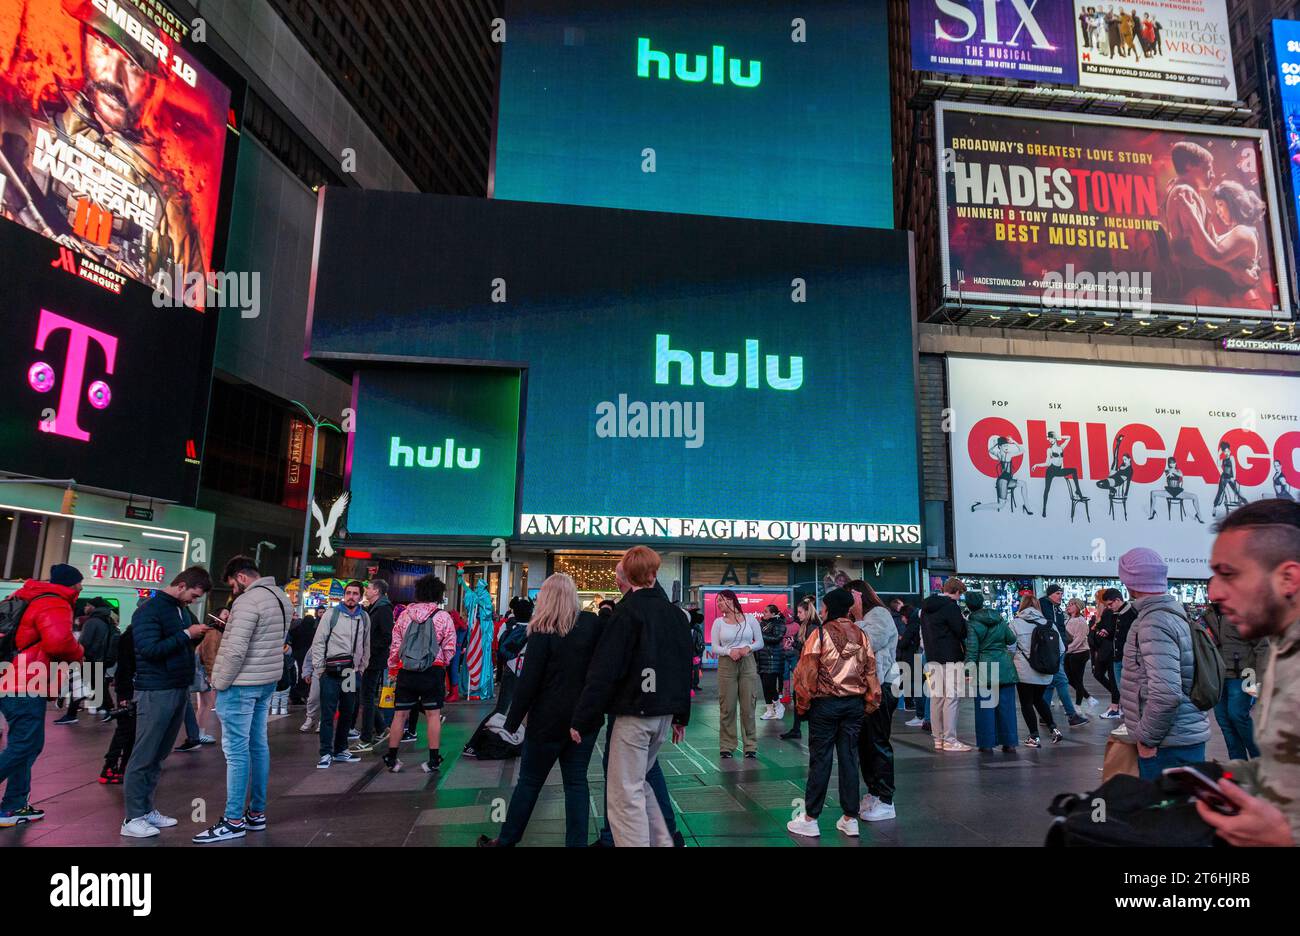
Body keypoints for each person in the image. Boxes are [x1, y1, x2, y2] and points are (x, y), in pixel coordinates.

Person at [570, 546, 693, 847]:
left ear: (627, 576)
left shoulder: (625, 613)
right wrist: (681, 715)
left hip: (633, 716)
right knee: (642, 784)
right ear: (654, 574)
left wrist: (583, 718)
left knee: (625, 797)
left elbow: (605, 670)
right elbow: (682, 666)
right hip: (663, 717)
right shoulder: (676, 615)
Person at [1197, 499, 1300, 845]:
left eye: (1230, 574)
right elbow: (1284, 770)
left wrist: (1284, 838)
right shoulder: (1282, 650)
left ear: (1288, 578)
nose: (1215, 592)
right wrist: (1212, 777)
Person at [478, 574, 603, 847]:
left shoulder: (542, 630)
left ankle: (506, 840)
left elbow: (529, 682)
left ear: (546, 597)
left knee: (530, 782)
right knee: (576, 783)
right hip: (583, 720)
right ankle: (576, 844)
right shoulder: (591, 624)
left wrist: (510, 723)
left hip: (547, 721)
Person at [191, 557, 294, 844]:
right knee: (258, 745)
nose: (233, 590)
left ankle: (233, 819)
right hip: (266, 681)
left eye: (233, 585)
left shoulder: (248, 601)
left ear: (241, 577)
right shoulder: (281, 597)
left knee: (236, 753)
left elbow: (235, 650)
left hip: (241, 684)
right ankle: (256, 814)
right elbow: (268, 639)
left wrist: (219, 682)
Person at [120, 567, 212, 838]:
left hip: (177, 687)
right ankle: (132, 817)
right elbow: (148, 650)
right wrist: (186, 635)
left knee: (159, 754)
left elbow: (185, 638)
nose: (194, 600)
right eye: (193, 595)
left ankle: (145, 809)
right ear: (181, 585)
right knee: (144, 754)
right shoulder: (150, 611)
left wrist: (198, 633)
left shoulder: (181, 610)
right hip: (155, 689)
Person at [786, 588, 880, 838]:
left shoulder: (820, 634)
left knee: (821, 759)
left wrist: (803, 706)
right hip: (854, 705)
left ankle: (810, 818)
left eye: (824, 607)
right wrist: (870, 701)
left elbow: (806, 674)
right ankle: (850, 818)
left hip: (825, 705)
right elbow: (871, 670)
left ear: (829, 609)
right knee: (850, 758)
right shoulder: (862, 635)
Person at [0, 564, 86, 827]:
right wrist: (79, 652)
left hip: (10, 678)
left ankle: (13, 806)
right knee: (25, 745)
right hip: (26, 682)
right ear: (72, 585)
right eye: (80, 582)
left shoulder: (23, 596)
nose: (82, 587)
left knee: (24, 745)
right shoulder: (55, 602)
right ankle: (13, 805)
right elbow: (58, 641)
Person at [1116, 548, 1211, 780]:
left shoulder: (1153, 622)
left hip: (1167, 744)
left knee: (1162, 813)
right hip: (1182, 736)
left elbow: (1166, 693)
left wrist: (1146, 738)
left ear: (1130, 582)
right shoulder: (1174, 614)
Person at [382, 574, 456, 773]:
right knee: (433, 715)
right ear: (438, 594)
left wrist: (393, 667)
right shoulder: (442, 617)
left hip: (407, 670)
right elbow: (450, 647)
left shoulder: (404, 615)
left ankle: (392, 758)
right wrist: (442, 663)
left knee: (400, 715)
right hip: (433, 670)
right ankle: (432, 760)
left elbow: (395, 645)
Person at [849, 580, 900, 821]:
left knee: (877, 742)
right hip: (866, 688)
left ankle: (886, 799)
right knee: (865, 743)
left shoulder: (879, 614)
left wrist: (858, 617)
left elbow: (866, 643)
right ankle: (873, 792)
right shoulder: (862, 618)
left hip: (882, 687)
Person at [309, 583, 371, 769]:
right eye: (348, 593)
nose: (351, 596)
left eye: (355, 593)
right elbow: (319, 642)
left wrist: (361, 667)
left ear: (360, 596)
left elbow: (366, 644)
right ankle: (326, 752)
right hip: (330, 671)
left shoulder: (364, 617)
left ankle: (341, 749)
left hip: (350, 672)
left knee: (347, 712)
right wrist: (319, 669)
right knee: (327, 713)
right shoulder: (331, 614)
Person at [1203, 601, 1267, 761]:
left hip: (1246, 673)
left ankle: (1260, 759)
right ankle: (1238, 762)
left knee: (1237, 715)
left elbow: (1263, 646)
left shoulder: (1245, 613)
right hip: (1220, 676)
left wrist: (1260, 678)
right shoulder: (1208, 615)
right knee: (1223, 719)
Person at [920, 577, 972, 751]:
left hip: (932, 657)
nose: (960, 598)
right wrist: (964, 620)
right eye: (960, 594)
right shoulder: (951, 607)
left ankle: (938, 739)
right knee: (951, 698)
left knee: (936, 699)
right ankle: (950, 740)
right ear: (956, 592)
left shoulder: (926, 608)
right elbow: (961, 631)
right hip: (950, 657)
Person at [710, 589, 762, 758]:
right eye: (717, 601)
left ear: (731, 600)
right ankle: (726, 746)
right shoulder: (718, 623)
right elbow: (715, 647)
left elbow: (759, 642)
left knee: (748, 706)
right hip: (727, 664)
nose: (718, 603)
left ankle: (750, 746)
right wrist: (729, 651)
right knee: (727, 706)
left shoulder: (750, 619)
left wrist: (748, 647)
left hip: (748, 662)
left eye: (721, 600)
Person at [964, 591, 1018, 753]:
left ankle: (986, 743)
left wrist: (968, 671)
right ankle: (1009, 742)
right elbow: (1011, 639)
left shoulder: (972, 623)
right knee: (1007, 707)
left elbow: (972, 649)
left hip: (985, 668)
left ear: (968, 606)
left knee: (985, 708)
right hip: (1005, 666)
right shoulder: (999, 619)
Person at [55, 596, 116, 724]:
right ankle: (108, 711)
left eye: (87, 605)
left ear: (93, 607)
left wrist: (76, 653)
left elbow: (84, 642)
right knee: (96, 687)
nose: (85, 608)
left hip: (89, 659)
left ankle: (72, 715)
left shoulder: (92, 621)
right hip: (100, 659)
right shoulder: (106, 620)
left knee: (78, 686)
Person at [1010, 595, 1060, 747]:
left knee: (1027, 703)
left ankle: (1034, 736)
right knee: (1039, 699)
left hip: (1024, 671)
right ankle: (1054, 729)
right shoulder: (1049, 624)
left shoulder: (1015, 624)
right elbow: (1062, 649)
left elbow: (1010, 648)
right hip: (1045, 672)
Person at [1040, 585, 1089, 726]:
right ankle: (1072, 715)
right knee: (1061, 681)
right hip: (1053, 650)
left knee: (1050, 683)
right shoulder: (1045, 606)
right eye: (1057, 593)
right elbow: (1053, 627)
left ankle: (1044, 715)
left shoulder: (1057, 609)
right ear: (1049, 594)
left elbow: (1060, 629)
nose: (1060, 596)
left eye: (1061, 593)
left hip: (1057, 649)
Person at [354, 579, 394, 750]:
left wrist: (369, 650)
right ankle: (382, 728)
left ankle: (366, 737)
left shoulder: (383, 609)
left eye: (368, 588)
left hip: (373, 659)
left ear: (376, 591)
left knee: (367, 697)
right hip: (369, 659)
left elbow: (386, 636)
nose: (366, 590)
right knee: (366, 695)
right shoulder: (375, 608)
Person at [99, 624, 137, 785]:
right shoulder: (132, 638)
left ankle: (118, 768)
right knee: (126, 730)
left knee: (128, 730)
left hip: (127, 689)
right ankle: (111, 767)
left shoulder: (129, 636)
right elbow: (126, 668)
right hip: (128, 690)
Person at [781, 596, 819, 740]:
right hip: (804, 668)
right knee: (799, 698)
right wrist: (794, 644)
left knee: (805, 699)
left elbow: (811, 650)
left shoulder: (812, 628)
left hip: (809, 670)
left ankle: (801, 729)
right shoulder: (806, 627)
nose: (797, 615)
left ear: (807, 612)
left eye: (800, 612)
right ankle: (796, 729)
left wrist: (795, 645)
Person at [1090, 589, 1122, 718]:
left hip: (1109, 651)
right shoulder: (1103, 614)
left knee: (1112, 678)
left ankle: (1116, 703)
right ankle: (1117, 699)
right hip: (1104, 651)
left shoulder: (1108, 613)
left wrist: (1099, 630)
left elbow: (1107, 632)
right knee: (1100, 675)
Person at [756, 604, 787, 721]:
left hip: (774, 659)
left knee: (770, 685)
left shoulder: (779, 623)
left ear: (773, 613)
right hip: (762, 659)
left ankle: (779, 706)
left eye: (766, 612)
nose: (763, 613)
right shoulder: (762, 624)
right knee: (765, 686)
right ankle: (769, 710)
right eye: (763, 611)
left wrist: (760, 636)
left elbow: (777, 638)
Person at [1063, 598, 1096, 709]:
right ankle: (1089, 698)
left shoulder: (1081, 621)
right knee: (1069, 679)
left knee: (1078, 679)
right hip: (1070, 653)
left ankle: (1078, 705)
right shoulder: (1067, 620)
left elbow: (1079, 639)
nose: (1069, 606)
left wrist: (1068, 649)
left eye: (1072, 604)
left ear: (1078, 606)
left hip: (1080, 653)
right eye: (1068, 604)